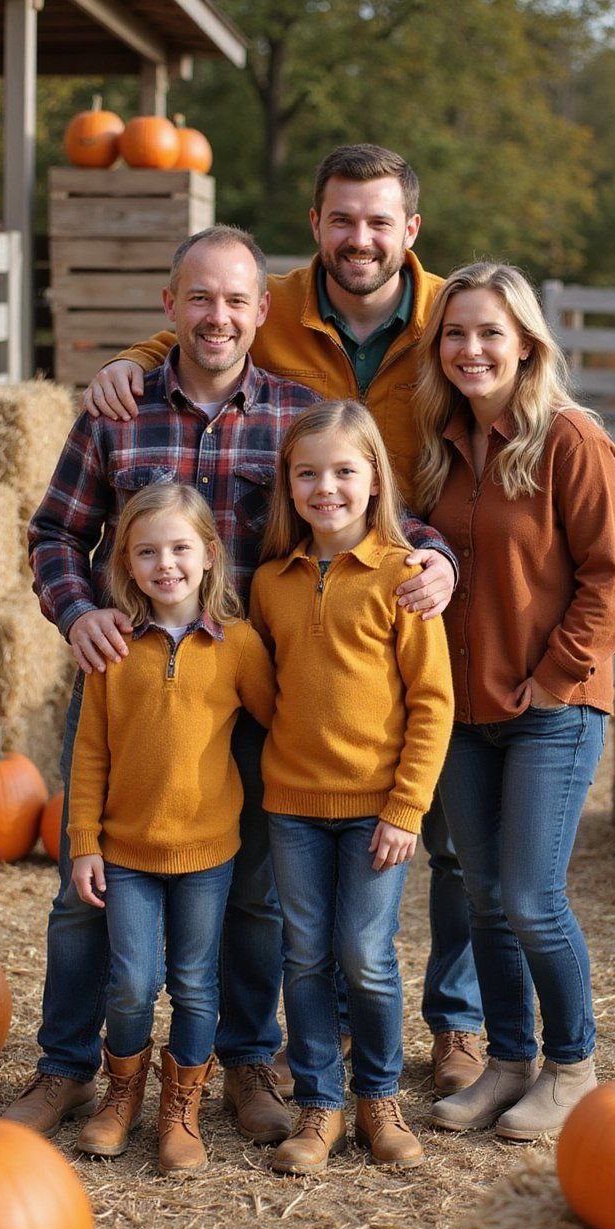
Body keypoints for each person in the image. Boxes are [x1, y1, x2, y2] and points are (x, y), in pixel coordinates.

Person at [7, 223, 453, 1142]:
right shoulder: (118, 410)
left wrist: (435, 561)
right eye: (199, 298)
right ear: (171, 309)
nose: (218, 316)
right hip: (128, 681)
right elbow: (54, 533)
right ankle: (66, 1067)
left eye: (236, 300)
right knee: (82, 892)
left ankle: (248, 1066)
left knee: (251, 893)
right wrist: (77, 610)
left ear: (262, 312)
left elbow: (368, 501)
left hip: (255, 691)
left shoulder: (294, 412)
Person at [83, 143, 484, 1097]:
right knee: (198, 886)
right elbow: (201, 324)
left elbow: (374, 484)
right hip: (206, 638)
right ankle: (153, 1062)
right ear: (315, 226)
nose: (360, 237)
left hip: (347, 613)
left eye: (379, 221)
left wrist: (439, 556)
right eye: (342, 219)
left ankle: (424, 1032)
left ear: (410, 232)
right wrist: (136, 360)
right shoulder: (269, 315)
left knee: (403, 863)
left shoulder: (443, 326)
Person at [410, 262, 615, 1141]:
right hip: (464, 714)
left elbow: (610, 582)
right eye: (456, 333)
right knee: (482, 899)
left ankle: (571, 1065)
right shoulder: (442, 446)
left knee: (532, 896)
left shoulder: (570, 441)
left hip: (554, 708)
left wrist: (551, 679)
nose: (471, 349)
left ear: (527, 344)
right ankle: (508, 1061)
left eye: (490, 333)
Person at [249, 401, 454, 1175]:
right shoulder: (272, 582)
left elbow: (432, 702)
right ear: (289, 486)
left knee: (365, 955)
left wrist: (406, 807)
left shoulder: (404, 576)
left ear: (374, 480)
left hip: (377, 812)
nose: (325, 486)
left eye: (343, 470)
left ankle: (378, 1098)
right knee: (303, 958)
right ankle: (320, 1104)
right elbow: (271, 691)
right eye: (308, 473)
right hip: (292, 808)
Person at [68, 482, 275, 1174]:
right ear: (125, 563)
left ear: (210, 555)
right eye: (147, 551)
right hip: (126, 853)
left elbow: (282, 721)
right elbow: (89, 752)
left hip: (208, 853)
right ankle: (121, 1095)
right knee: (130, 981)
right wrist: (83, 843)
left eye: (180, 547)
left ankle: (180, 1107)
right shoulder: (113, 648)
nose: (166, 564)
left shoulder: (239, 645)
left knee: (194, 982)